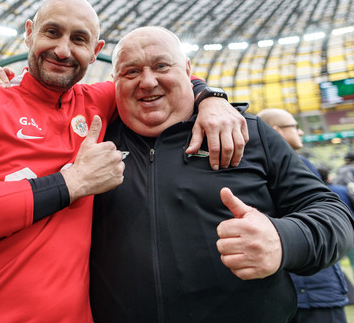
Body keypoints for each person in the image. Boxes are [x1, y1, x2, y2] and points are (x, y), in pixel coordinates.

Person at [0, 0, 247, 322]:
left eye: (78, 39)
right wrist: (71, 183)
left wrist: (212, 98)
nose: (63, 50)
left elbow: (164, 79)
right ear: (29, 33)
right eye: (52, 32)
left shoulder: (98, 101)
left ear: (95, 53)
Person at [88, 27, 354, 323]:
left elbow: (333, 214)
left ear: (188, 70)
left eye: (162, 66)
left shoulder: (249, 132)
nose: (148, 82)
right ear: (114, 82)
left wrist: (283, 240)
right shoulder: (94, 143)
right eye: (131, 71)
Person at [257, 108, 349, 323]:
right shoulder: (297, 164)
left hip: (286, 288)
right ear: (276, 132)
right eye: (294, 127)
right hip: (313, 288)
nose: (300, 132)